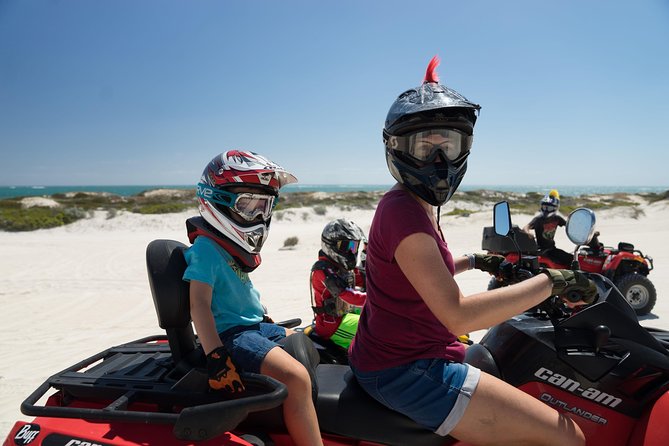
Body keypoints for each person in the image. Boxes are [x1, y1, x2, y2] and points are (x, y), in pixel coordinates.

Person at [349, 56, 594, 446]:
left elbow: (417, 276)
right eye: (424, 146)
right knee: (570, 437)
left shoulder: (414, 204)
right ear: (398, 148)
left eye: (448, 144)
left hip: (394, 354)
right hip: (407, 369)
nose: (439, 160)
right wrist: (552, 281)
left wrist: (477, 261)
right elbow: (456, 315)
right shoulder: (404, 213)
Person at [183, 150, 323, 446]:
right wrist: (216, 357)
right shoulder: (206, 249)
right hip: (232, 336)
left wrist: (261, 316)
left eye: (264, 206)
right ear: (218, 200)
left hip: (252, 327)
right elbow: (199, 305)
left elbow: (237, 293)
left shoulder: (225, 247)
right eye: (248, 206)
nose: (259, 216)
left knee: (308, 340)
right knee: (297, 377)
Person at [310, 219, 366, 349]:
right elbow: (347, 295)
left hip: (345, 315)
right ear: (331, 244)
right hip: (331, 326)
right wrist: (376, 298)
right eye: (346, 246)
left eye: (353, 246)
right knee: (379, 328)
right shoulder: (322, 270)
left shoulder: (340, 267)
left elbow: (365, 278)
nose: (351, 251)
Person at [523, 189, 574, 266]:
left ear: (555, 208)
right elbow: (526, 227)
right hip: (541, 249)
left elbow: (569, 225)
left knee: (572, 259)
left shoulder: (557, 218)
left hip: (551, 248)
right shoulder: (539, 219)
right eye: (544, 207)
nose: (546, 209)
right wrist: (528, 232)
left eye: (549, 208)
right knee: (571, 259)